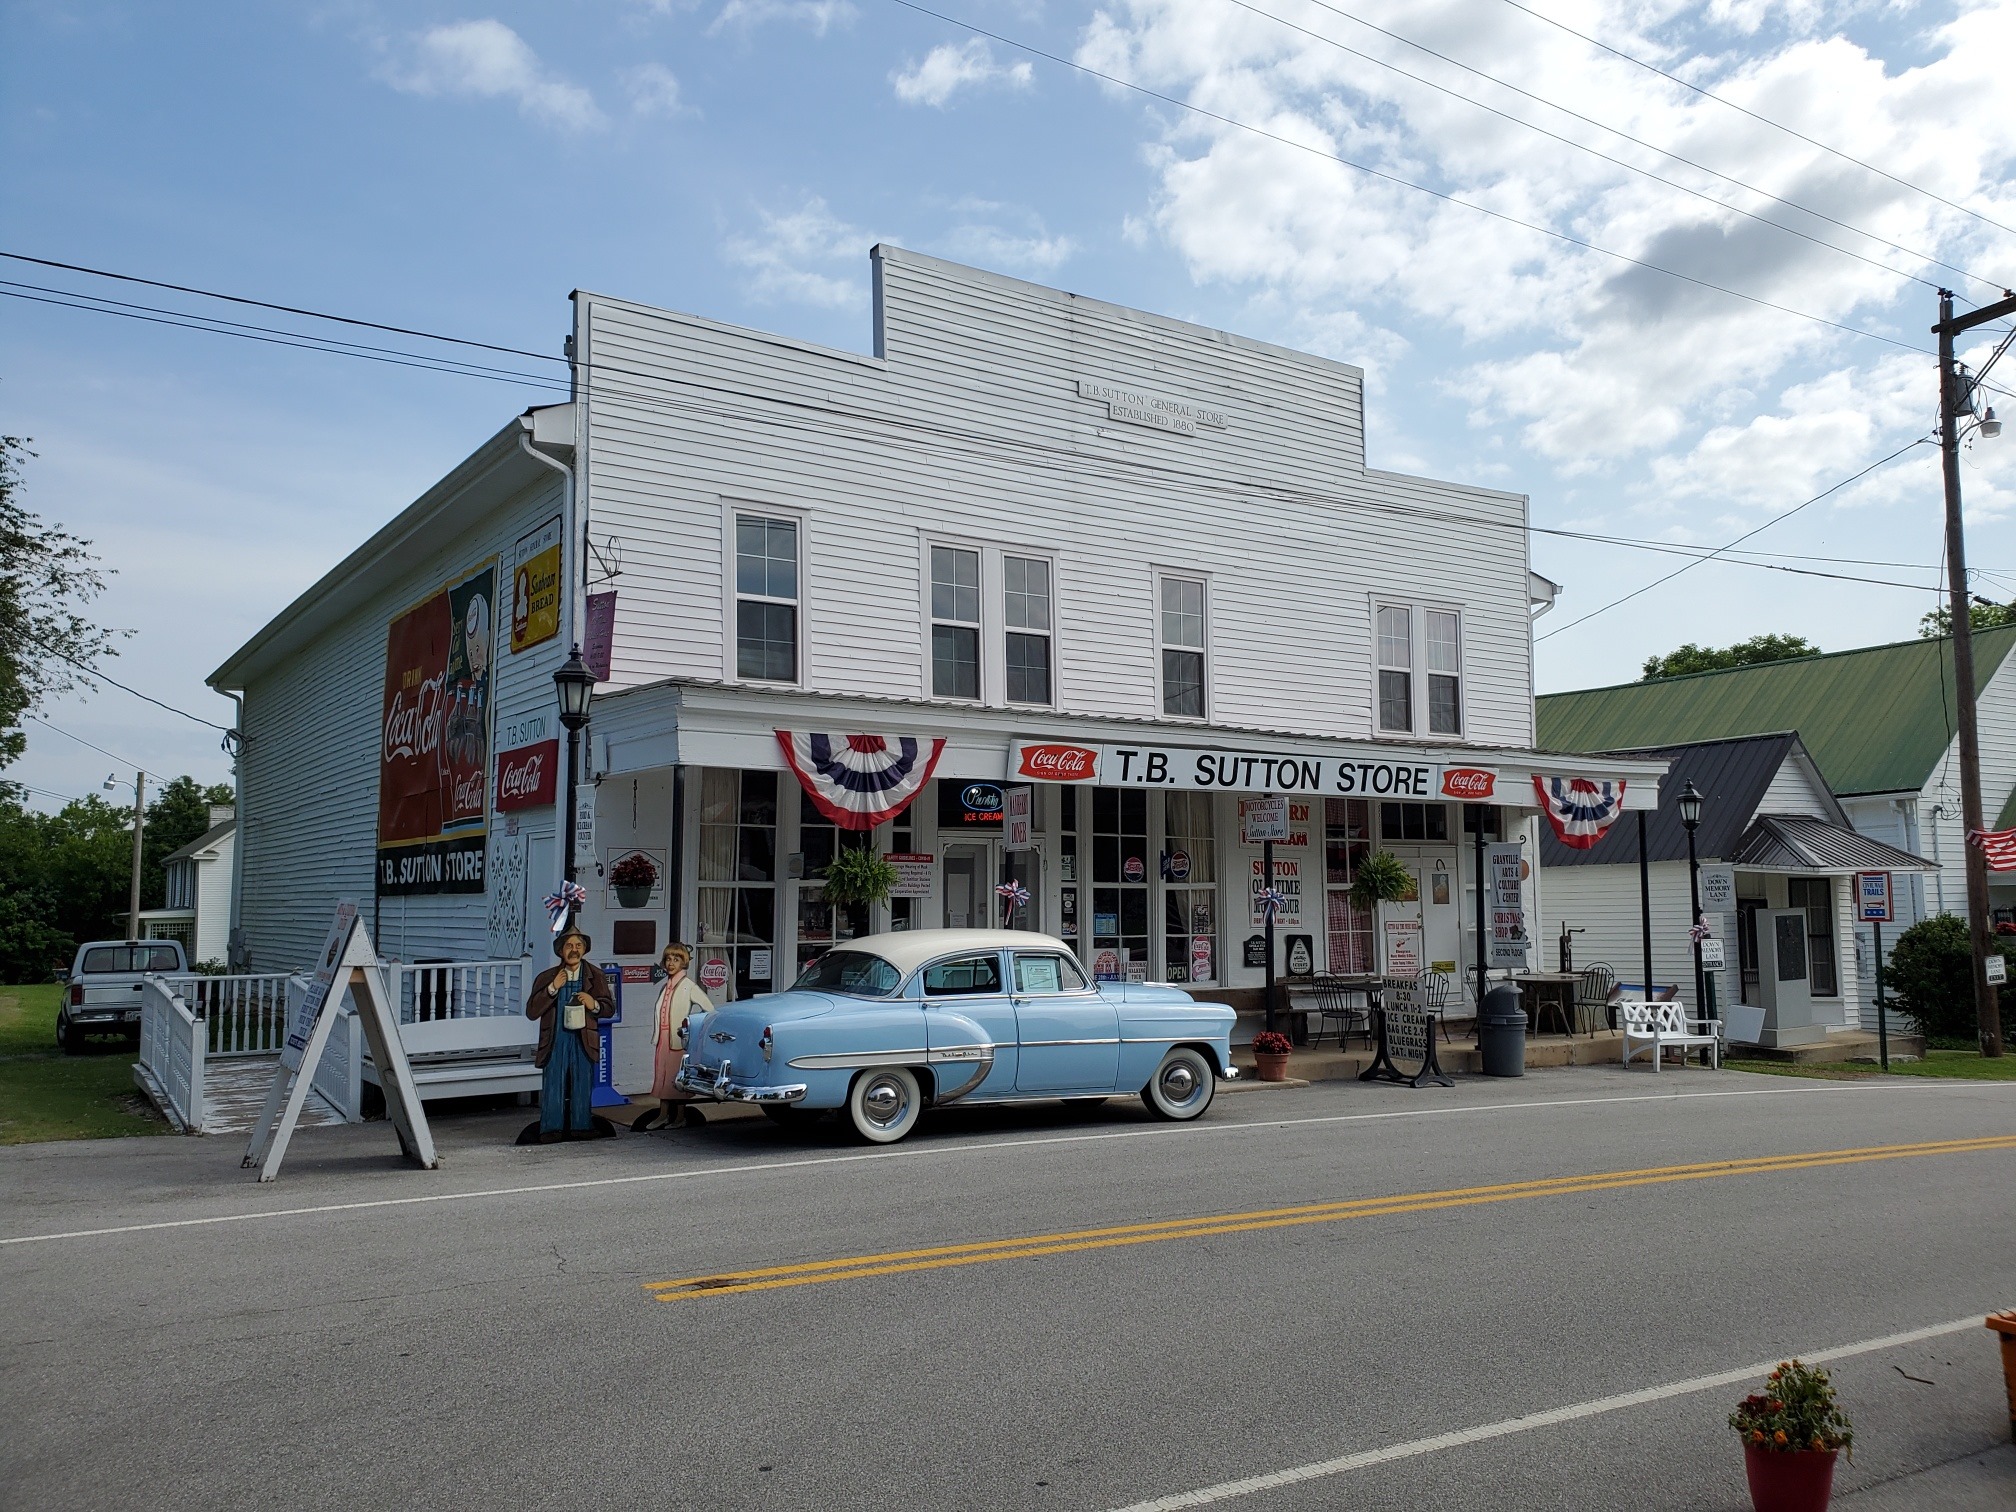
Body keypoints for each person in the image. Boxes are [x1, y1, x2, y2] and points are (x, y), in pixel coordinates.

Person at [524, 926, 613, 1143]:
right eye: (569, 945)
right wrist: (552, 989)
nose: (574, 950)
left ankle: (581, 1126)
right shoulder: (547, 977)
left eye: (578, 945)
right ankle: (551, 1128)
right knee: (554, 1080)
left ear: (584, 949)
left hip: (583, 1037)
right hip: (556, 1038)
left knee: (582, 1079)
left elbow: (609, 1008)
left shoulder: (595, 976)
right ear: (560, 950)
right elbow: (532, 1011)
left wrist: (594, 1005)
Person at [633, 943, 714, 1131]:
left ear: (683, 962)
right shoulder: (666, 986)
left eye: (676, 960)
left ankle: (679, 1117)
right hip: (663, 1038)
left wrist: (692, 1028)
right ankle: (663, 1115)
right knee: (662, 1077)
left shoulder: (688, 986)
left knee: (676, 1079)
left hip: (678, 1040)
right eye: (668, 959)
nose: (671, 963)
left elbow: (709, 1009)